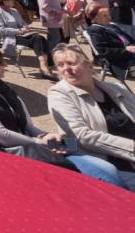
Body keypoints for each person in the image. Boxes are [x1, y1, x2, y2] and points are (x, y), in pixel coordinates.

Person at [47, 44, 135, 190]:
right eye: (60, 65)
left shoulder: (116, 88)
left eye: (71, 63)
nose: (65, 69)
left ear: (88, 64)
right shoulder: (59, 94)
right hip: (110, 158)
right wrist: (131, 147)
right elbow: (82, 135)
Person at [0, 0, 56, 79]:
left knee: (39, 38)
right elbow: (1, 30)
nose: (13, 1)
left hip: (23, 34)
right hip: (10, 37)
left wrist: (25, 27)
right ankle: (45, 66)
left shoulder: (14, 11)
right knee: (38, 38)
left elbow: (22, 23)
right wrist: (19, 31)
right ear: (4, 2)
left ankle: (44, 66)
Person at [85, 3, 135, 80]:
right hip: (123, 59)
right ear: (96, 18)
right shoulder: (95, 31)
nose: (109, 17)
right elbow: (103, 51)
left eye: (108, 14)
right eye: (104, 15)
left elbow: (128, 38)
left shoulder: (111, 25)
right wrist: (126, 50)